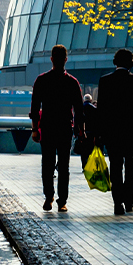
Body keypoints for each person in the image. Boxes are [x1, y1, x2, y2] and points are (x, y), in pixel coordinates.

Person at [97, 49, 133, 216]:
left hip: (112, 133)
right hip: (132, 132)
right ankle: (129, 200)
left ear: (115, 62)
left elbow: (102, 110)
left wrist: (100, 133)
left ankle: (117, 202)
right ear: (131, 63)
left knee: (115, 167)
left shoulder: (105, 81)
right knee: (130, 166)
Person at [30, 45, 81, 213]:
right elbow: (79, 109)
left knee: (47, 164)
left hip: (47, 127)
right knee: (64, 166)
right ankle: (62, 201)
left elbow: (35, 106)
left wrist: (35, 129)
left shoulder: (42, 80)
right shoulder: (72, 82)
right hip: (65, 128)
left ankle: (48, 197)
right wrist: (80, 130)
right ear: (66, 59)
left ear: (51, 59)